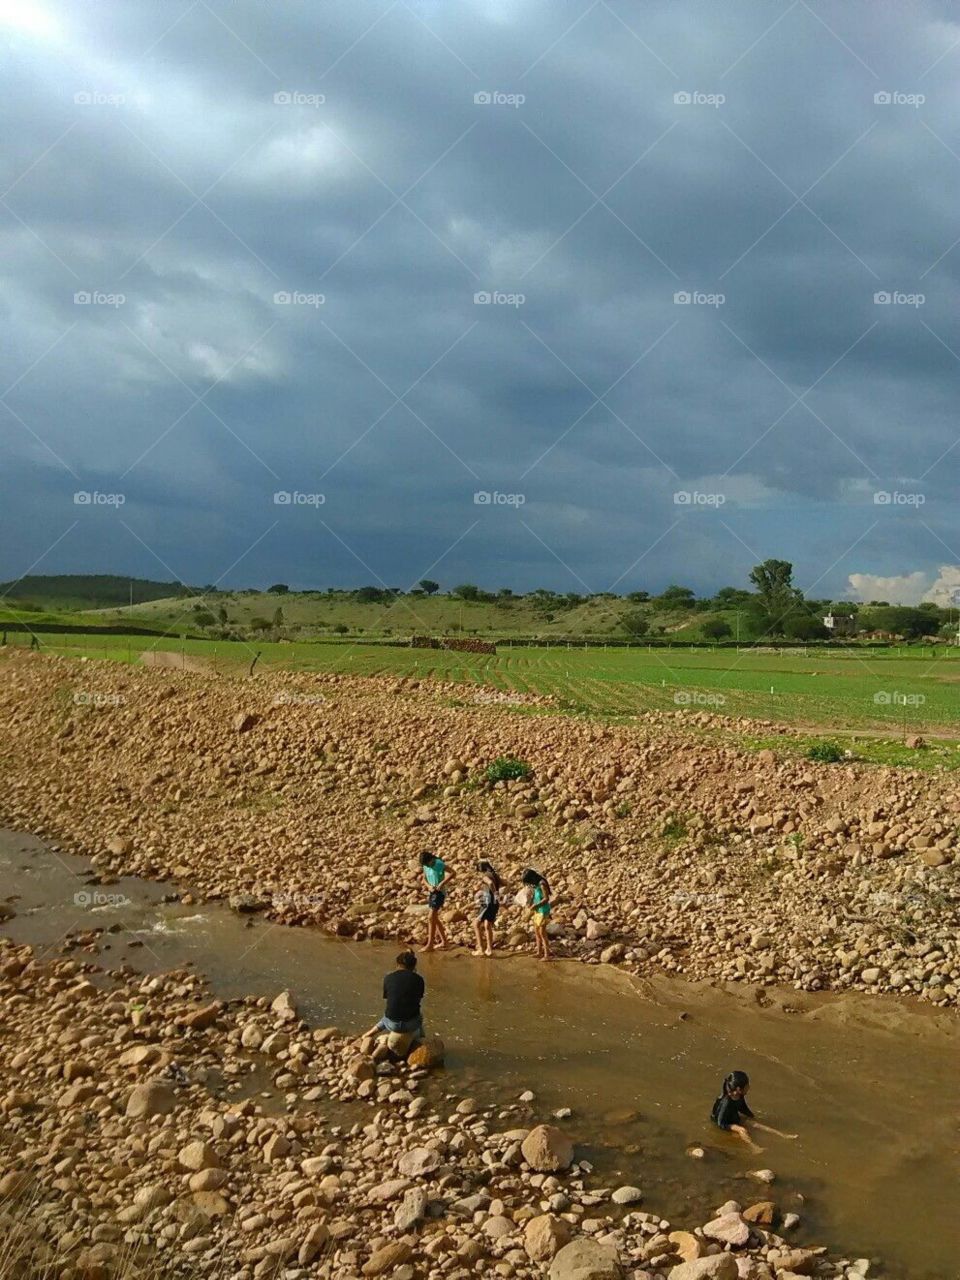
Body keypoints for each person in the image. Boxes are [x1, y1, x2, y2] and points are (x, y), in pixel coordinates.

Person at [710, 1070, 798, 1153]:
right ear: (738, 1089)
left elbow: (743, 1108)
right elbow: (720, 1122)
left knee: (755, 1124)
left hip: (733, 1117)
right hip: (724, 1122)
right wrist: (734, 1128)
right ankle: (754, 1147)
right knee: (742, 1130)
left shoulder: (739, 1096)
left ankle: (783, 1136)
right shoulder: (726, 1102)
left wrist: (752, 1117)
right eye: (747, 1086)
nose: (749, 1087)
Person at [368, 950, 426, 1041]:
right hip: (411, 1024)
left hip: (392, 1024)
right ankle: (421, 1038)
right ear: (414, 966)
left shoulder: (388, 977)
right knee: (419, 1014)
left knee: (387, 1016)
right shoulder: (419, 979)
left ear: (397, 963)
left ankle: (368, 1034)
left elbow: (388, 998)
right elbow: (418, 1000)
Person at [421, 850, 452, 951]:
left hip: (439, 893)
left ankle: (430, 945)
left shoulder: (438, 863)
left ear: (431, 859)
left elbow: (453, 873)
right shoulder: (425, 865)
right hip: (432, 891)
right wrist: (429, 886)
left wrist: (442, 883)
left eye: (429, 864)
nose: (428, 866)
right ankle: (444, 942)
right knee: (434, 918)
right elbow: (424, 879)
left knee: (431, 917)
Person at [473, 860, 502, 957]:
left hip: (487, 902)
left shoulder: (485, 875)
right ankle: (489, 949)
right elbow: (507, 883)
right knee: (487, 925)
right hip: (494, 903)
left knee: (476, 924)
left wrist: (494, 893)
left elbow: (489, 883)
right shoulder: (495, 875)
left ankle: (480, 948)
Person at [522, 867, 552, 961]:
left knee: (542, 933)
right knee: (536, 931)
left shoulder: (542, 884)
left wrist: (536, 905)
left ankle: (547, 955)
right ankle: (539, 952)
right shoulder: (536, 885)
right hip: (537, 910)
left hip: (543, 910)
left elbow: (546, 899)